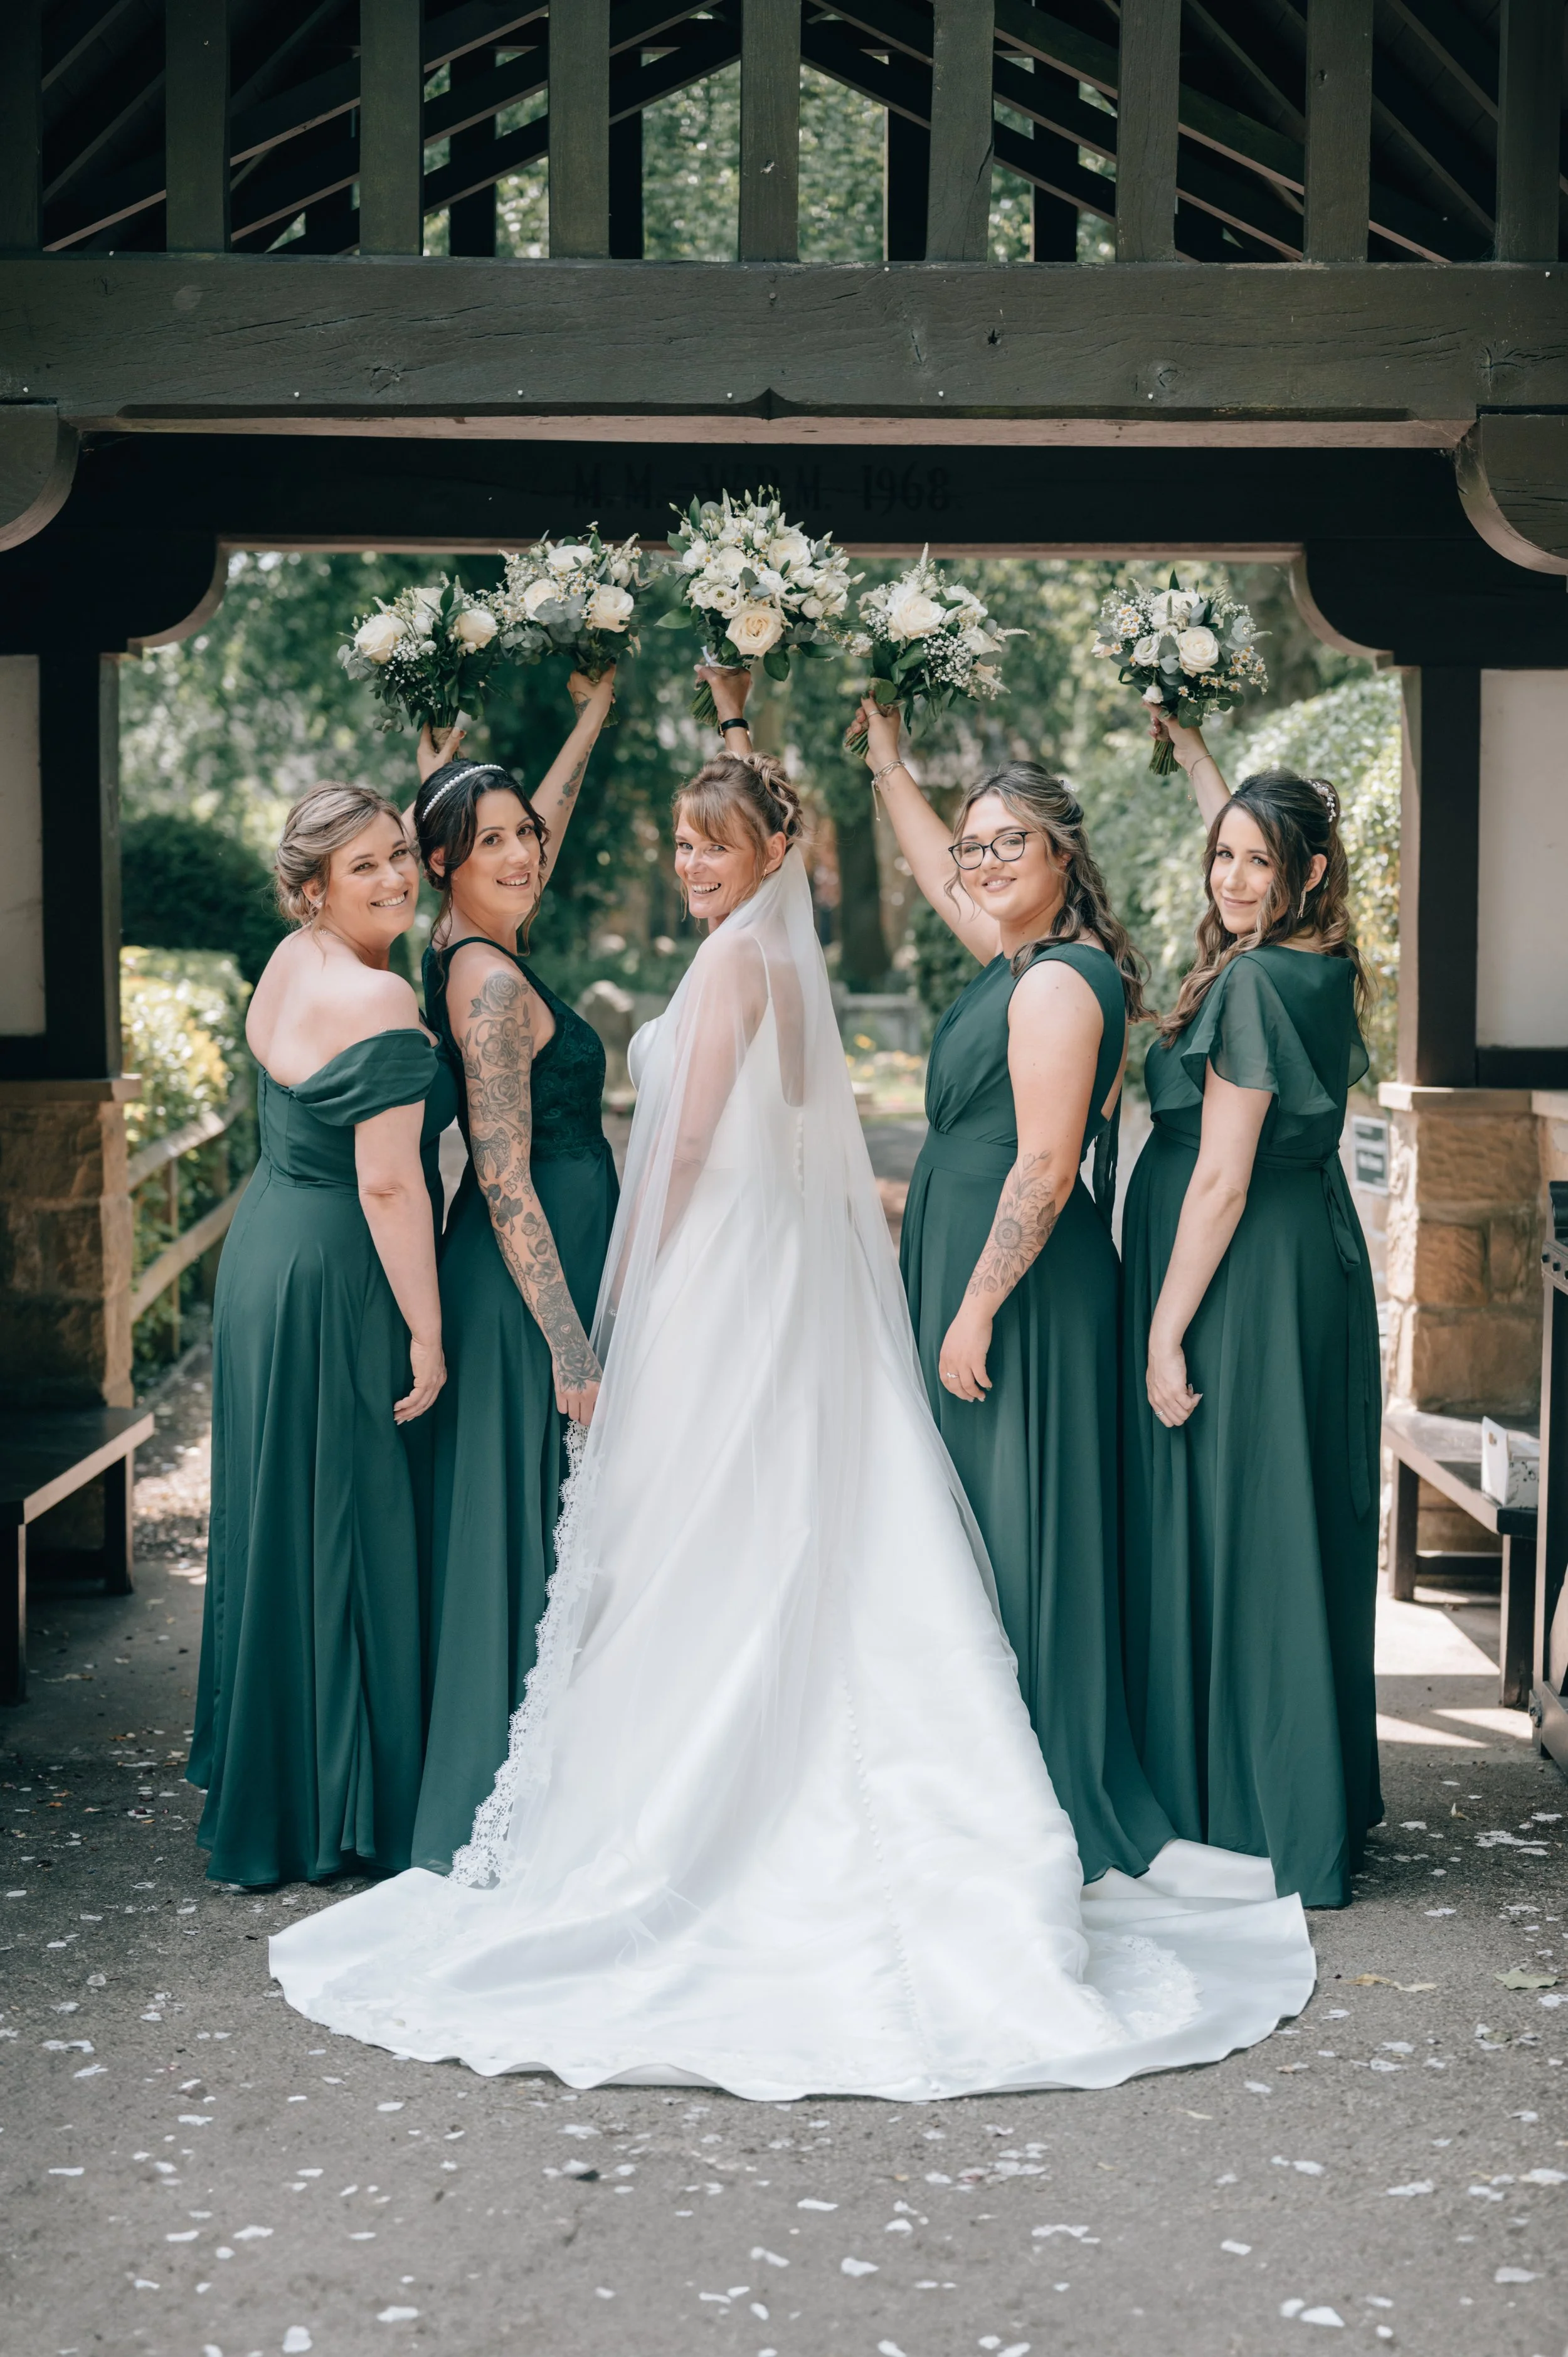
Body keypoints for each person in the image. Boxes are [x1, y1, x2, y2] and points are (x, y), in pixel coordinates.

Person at [269, 672, 1313, 2100]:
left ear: (766, 861)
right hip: (771, 1262)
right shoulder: (760, 956)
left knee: (710, 1531)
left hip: (718, 1267)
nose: (693, 862)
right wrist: (748, 740)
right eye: (683, 845)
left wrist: (623, 1303)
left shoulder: (742, 968)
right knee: (770, 1522)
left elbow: (684, 1156)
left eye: (716, 845)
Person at [853, 700, 1173, 1882]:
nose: (982, 862)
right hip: (978, 1259)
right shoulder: (1019, 957)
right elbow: (938, 871)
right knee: (974, 1530)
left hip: (1023, 1287)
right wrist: (889, 760)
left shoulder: (1053, 986)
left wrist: (977, 1304)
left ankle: (1031, 1790)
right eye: (973, 844)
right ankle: (981, 1772)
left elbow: (1043, 1168)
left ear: (1062, 857)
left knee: (1013, 1530)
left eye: (1008, 844)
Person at [1121, 715, 1382, 1910]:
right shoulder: (1318, 967)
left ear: (1307, 874)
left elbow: (1220, 1178)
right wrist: (1205, 777)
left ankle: (1255, 1811)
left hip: (1237, 1275)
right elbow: (1264, 863)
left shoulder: (1257, 985)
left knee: (1244, 1523)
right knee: (1291, 1512)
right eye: (1219, 857)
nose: (1230, 878)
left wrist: (1167, 1327)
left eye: (1256, 863)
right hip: (1309, 1262)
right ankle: (1305, 1795)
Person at [189, 784, 454, 1888]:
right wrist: (430, 1334)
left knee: (280, 1509)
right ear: (312, 889)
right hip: (343, 1269)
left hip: (263, 1255)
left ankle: (277, 1781)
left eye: (400, 856)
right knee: (348, 1515)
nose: (397, 879)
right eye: (366, 869)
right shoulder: (382, 999)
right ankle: (339, 1809)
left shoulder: (291, 962)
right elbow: (391, 1186)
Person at [404, 671, 620, 1872]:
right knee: (534, 1529)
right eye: (491, 843)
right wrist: (571, 1346)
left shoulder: (479, 933)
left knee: (554, 1530)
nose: (523, 851)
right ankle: (506, 1804)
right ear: (446, 862)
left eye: (525, 837)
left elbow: (532, 819)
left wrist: (586, 715)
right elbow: (501, 1175)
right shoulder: (486, 981)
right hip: (525, 1292)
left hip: (550, 1269)